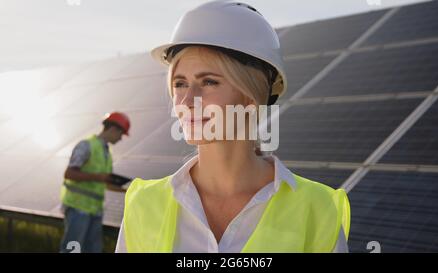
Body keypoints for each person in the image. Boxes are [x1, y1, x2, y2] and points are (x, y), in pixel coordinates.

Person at [116, 1, 350, 253]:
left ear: (252, 96)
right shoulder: (143, 205)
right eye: (180, 83)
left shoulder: (317, 209)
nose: (185, 100)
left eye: (208, 82)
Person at [60, 112, 130, 253]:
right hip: (77, 208)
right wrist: (98, 177)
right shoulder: (86, 146)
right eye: (121, 134)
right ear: (113, 129)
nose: (121, 138)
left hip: (95, 210)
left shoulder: (107, 154)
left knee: (93, 250)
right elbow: (69, 173)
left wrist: (129, 190)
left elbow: (105, 182)